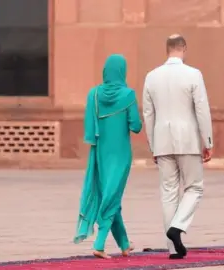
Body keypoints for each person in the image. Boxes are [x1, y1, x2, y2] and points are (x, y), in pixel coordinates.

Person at [142, 34, 213, 259]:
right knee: (194, 187)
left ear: (167, 49)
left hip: (162, 140)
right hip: (188, 139)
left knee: (168, 193)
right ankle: (178, 227)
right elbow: (202, 109)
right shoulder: (193, 74)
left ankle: (173, 248)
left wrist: (153, 145)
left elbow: (148, 114)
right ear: (183, 48)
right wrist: (208, 140)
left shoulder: (151, 77)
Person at [74, 54, 142, 259]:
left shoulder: (93, 95)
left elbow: (89, 127)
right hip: (120, 155)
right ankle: (99, 244)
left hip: (100, 154)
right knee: (111, 197)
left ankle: (124, 243)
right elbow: (136, 127)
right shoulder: (128, 95)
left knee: (110, 196)